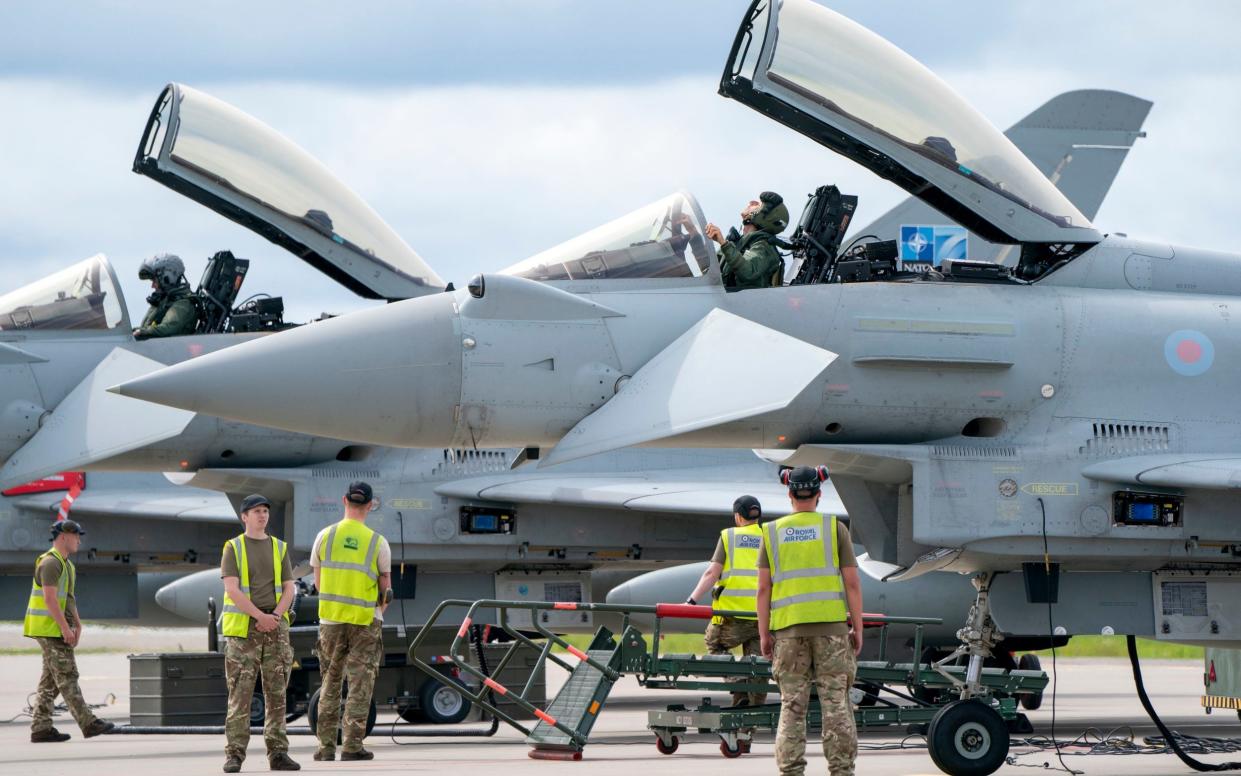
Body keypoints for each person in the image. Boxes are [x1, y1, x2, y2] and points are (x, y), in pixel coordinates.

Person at [757, 466, 864, 776]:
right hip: (832, 633)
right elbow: (852, 585)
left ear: (789, 494)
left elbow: (763, 589)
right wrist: (856, 628)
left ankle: (791, 771)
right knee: (836, 707)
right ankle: (841, 771)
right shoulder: (834, 529)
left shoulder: (772, 532)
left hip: (788, 633)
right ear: (819, 494)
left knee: (791, 707)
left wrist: (764, 634)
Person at [310, 481, 392, 762]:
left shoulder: (324, 536)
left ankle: (325, 748)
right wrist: (378, 610)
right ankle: (352, 746)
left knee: (329, 684)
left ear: (344, 500)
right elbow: (386, 590)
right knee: (360, 684)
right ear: (370, 505)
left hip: (330, 621)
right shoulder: (377, 542)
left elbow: (319, 584)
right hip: (365, 621)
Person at [220, 494, 299, 773]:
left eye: (265, 510)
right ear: (244, 517)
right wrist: (260, 617)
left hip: (275, 629)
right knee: (240, 695)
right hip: (245, 632)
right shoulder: (233, 547)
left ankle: (278, 753)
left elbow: (290, 587)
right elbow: (232, 588)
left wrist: (275, 616)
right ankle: (234, 755)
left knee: (277, 695)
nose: (262, 515)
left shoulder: (279, 547)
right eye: (256, 511)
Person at [23, 519, 115, 742]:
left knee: (51, 680)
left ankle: (40, 728)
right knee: (67, 675)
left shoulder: (67, 565)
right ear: (64, 536)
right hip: (48, 629)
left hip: (55, 628)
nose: (79, 540)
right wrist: (65, 628)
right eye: (76, 536)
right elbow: (50, 599)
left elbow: (68, 600)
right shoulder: (50, 563)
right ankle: (88, 722)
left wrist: (78, 624)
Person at [686, 494, 767, 706]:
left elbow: (712, 573)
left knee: (713, 643)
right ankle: (754, 707)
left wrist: (691, 602)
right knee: (758, 664)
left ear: (738, 516)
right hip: (762, 617)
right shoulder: (769, 536)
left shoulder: (729, 536)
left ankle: (737, 683)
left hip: (732, 618)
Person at [705, 191, 789, 289]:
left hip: (744, 302)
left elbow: (749, 271)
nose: (752, 202)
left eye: (758, 204)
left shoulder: (764, 246)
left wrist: (724, 243)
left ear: (768, 216)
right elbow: (706, 270)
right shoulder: (737, 245)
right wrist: (693, 235)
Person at [133, 253, 199, 339]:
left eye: (154, 281)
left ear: (168, 277)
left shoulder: (183, 304)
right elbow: (147, 327)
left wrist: (141, 332)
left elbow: (168, 328)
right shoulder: (164, 302)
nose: (152, 286)